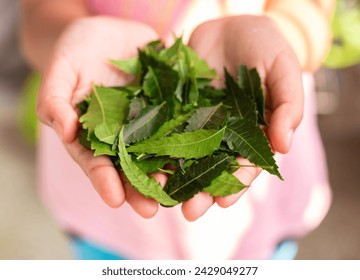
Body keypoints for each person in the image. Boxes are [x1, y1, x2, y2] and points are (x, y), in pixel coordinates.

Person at [19, 0, 335, 259]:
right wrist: (67, 34)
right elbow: (39, 13)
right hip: (105, 221)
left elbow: (312, 12)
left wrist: (285, 37)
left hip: (259, 208)